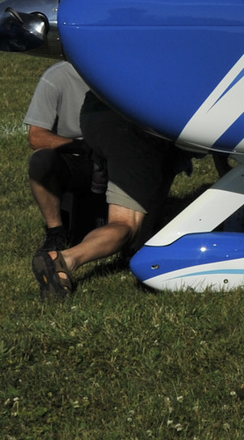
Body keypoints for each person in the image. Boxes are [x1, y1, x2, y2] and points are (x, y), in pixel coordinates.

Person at [30, 72, 184, 299]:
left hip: (96, 112)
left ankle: (139, 246)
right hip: (131, 118)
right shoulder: (57, 76)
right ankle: (64, 260)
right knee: (125, 225)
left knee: (160, 165)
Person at [24, 61, 102, 254]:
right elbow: (36, 136)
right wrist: (82, 147)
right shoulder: (56, 77)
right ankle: (56, 232)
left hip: (118, 156)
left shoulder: (123, 72)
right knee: (41, 161)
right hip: (78, 158)